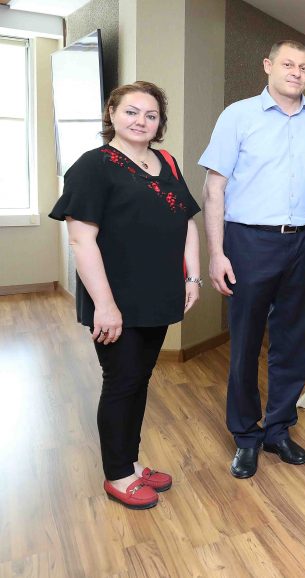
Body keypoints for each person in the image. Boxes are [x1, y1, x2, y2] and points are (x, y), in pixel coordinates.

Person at [199, 40, 305, 479]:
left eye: (304, 67)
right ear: (268, 66)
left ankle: (279, 428)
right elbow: (213, 188)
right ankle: (246, 436)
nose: (297, 72)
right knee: (245, 341)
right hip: (249, 242)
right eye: (288, 64)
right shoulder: (238, 116)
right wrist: (216, 253)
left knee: (293, 341)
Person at [49, 81, 201, 509]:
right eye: (131, 112)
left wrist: (192, 277)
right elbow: (81, 240)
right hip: (114, 298)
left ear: (160, 123)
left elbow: (187, 220)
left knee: (139, 379)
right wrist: (105, 305)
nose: (141, 121)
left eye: (151, 115)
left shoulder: (166, 162)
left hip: (158, 293)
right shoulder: (93, 166)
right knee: (121, 382)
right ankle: (118, 475)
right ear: (112, 114)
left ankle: (131, 464)